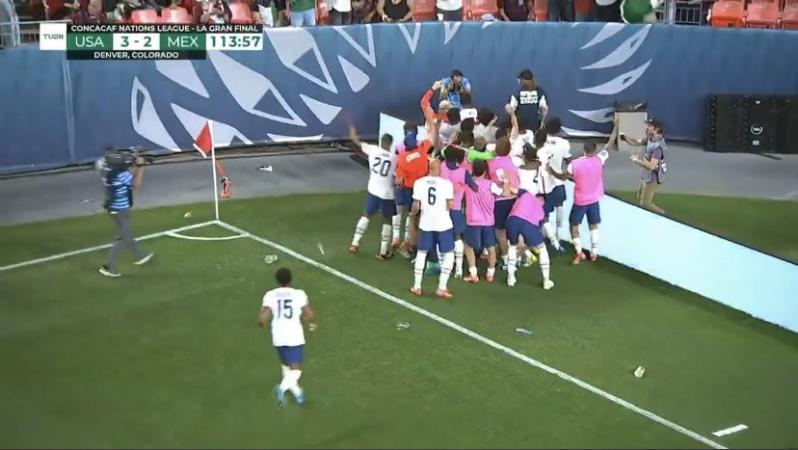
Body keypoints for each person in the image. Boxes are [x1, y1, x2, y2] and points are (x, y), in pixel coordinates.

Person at [259, 267, 317, 408]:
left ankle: (298, 393)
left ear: (277, 280)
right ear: (290, 279)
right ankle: (281, 388)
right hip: (294, 335)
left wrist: (261, 324)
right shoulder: (299, 294)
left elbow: (264, 315)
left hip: (278, 335)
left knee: (286, 366)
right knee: (296, 370)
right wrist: (312, 322)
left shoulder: (270, 295)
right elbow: (308, 312)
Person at [551, 142, 610, 265]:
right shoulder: (600, 159)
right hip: (594, 199)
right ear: (594, 150)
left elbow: (563, 177)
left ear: (584, 149)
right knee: (593, 225)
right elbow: (608, 146)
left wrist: (551, 171)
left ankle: (579, 252)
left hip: (580, 201)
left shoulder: (574, 164)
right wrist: (616, 126)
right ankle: (594, 253)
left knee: (574, 225)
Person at [506, 145, 555, 289]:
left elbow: (513, 189)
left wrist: (505, 181)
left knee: (512, 247)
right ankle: (546, 280)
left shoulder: (523, 193)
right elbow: (540, 222)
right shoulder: (539, 209)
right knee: (542, 248)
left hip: (512, 218)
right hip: (527, 222)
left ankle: (511, 278)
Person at [98, 151, 153, 278]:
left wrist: (136, 165)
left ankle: (139, 256)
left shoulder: (108, 171)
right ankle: (108, 266)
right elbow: (135, 184)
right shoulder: (121, 174)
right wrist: (140, 167)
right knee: (123, 236)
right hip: (120, 209)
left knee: (126, 233)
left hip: (112, 207)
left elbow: (128, 176)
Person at [348, 126, 397, 259]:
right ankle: (383, 251)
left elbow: (357, 143)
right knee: (387, 221)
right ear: (391, 144)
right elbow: (396, 176)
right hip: (387, 193)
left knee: (366, 216)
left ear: (381, 142)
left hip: (373, 190)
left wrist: (353, 132)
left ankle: (354, 243)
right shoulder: (394, 158)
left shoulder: (373, 150)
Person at [410, 159, 456, 298]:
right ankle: (441, 287)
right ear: (439, 169)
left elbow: (416, 206)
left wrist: (412, 215)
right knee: (448, 254)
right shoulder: (447, 184)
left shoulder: (419, 183)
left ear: (429, 168)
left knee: (422, 253)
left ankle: (417, 286)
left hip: (426, 223)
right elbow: (450, 205)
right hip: (443, 223)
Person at [463, 159, 511, 283]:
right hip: (488, 221)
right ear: (485, 171)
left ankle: (473, 273)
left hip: (473, 221)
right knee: (491, 248)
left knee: (468, 246)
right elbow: (506, 194)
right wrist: (505, 181)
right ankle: (490, 274)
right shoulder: (491, 185)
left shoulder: (469, 184)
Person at [441, 146, 478, 279]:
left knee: (442, 236)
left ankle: (443, 266)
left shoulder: (441, 167)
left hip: (441, 208)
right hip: (456, 208)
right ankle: (458, 269)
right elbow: (475, 187)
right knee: (457, 238)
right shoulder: (463, 173)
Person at [487, 135, 520, 271]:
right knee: (513, 230)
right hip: (513, 199)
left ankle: (506, 258)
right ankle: (515, 257)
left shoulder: (491, 163)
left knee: (500, 232)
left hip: (499, 201)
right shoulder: (515, 162)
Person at [623, 118, 667, 215]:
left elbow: (651, 166)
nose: (646, 128)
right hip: (647, 174)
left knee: (645, 203)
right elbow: (636, 142)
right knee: (640, 195)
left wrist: (636, 160)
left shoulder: (658, 148)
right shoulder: (650, 138)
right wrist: (625, 138)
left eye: (649, 126)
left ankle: (662, 216)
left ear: (656, 129)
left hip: (654, 177)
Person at [539, 118, 571, 243]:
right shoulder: (564, 143)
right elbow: (569, 160)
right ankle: (558, 234)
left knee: (544, 210)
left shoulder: (542, 141)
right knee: (559, 205)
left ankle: (545, 234)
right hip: (558, 181)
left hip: (544, 182)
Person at [510, 69, 548, 133]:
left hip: (521, 128)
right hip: (535, 126)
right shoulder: (540, 91)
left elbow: (511, 111)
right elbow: (544, 109)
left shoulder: (517, 92)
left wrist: (515, 127)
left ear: (522, 80)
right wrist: (542, 122)